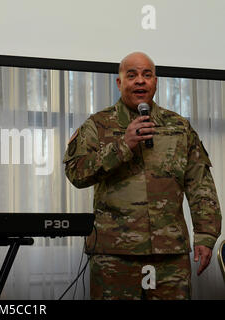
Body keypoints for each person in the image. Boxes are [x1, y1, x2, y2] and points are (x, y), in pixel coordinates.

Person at [64, 52, 221, 300]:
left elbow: (200, 184)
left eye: (147, 75)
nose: (140, 81)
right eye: (132, 75)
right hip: (114, 256)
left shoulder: (179, 126)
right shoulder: (97, 125)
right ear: (119, 83)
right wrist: (123, 145)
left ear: (155, 82)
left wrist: (206, 235)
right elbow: (76, 173)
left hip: (170, 257)